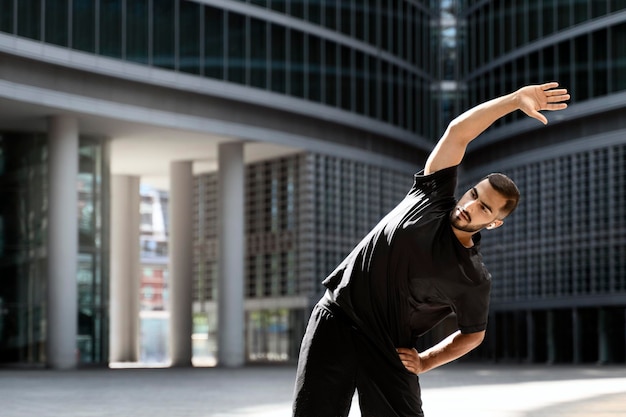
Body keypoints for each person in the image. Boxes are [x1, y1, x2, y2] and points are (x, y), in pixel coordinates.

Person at [292, 82, 570, 417]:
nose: (470, 206)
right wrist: (512, 101)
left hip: (388, 345)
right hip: (336, 316)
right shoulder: (432, 195)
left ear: (495, 223)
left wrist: (426, 360)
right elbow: (457, 133)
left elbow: (472, 336)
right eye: (473, 195)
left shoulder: (472, 277)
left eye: (485, 209)